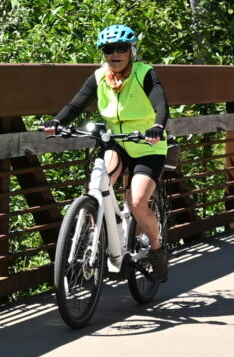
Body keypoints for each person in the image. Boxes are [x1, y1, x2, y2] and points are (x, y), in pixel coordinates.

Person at [42, 25, 170, 259]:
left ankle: (156, 247)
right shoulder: (100, 76)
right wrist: (56, 121)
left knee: (137, 201)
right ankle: (98, 236)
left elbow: (161, 103)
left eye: (121, 49)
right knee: (98, 183)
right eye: (109, 50)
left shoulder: (145, 73)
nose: (115, 55)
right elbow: (76, 104)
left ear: (131, 51)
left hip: (147, 144)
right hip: (116, 143)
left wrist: (158, 127)